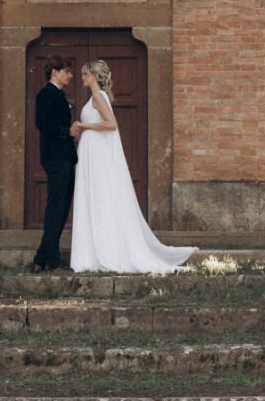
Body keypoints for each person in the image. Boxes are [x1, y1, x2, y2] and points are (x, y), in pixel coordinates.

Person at [70, 59, 198, 273]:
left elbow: (111, 124)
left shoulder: (98, 97)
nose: (82, 77)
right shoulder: (97, 97)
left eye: (85, 74)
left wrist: (83, 125)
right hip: (93, 151)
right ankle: (96, 250)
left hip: (97, 153)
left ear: (94, 76)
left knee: (99, 196)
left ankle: (102, 251)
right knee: (98, 197)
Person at [30, 58, 78, 273]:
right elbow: (42, 123)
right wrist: (67, 131)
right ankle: (48, 258)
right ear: (54, 72)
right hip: (56, 158)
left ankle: (44, 258)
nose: (70, 76)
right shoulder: (46, 94)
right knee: (56, 207)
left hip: (65, 157)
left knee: (62, 207)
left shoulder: (59, 94)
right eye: (66, 71)